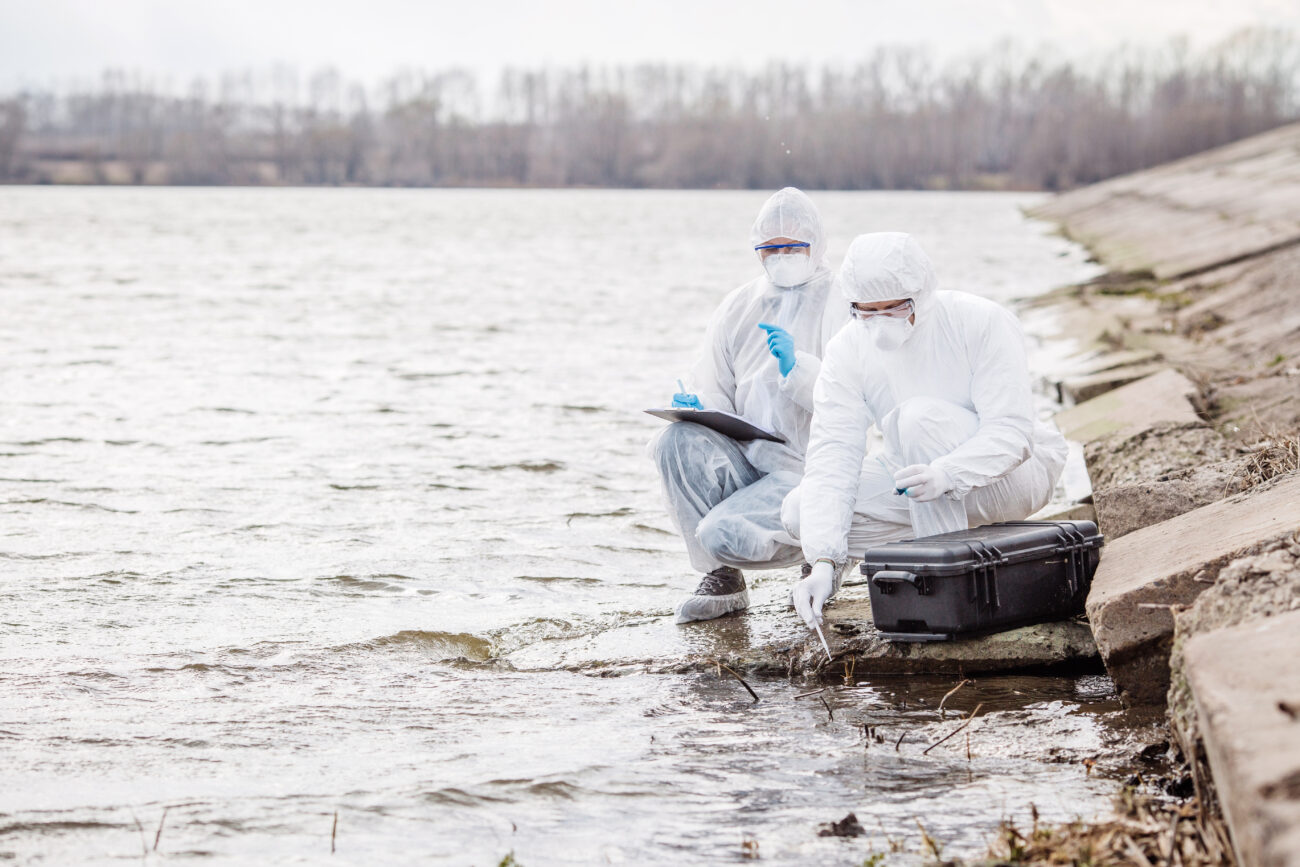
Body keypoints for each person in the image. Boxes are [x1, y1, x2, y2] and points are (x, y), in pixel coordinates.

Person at [783, 232, 1068, 629]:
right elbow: (833, 451)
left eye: (895, 308)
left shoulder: (979, 320)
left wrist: (949, 473)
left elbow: (1012, 431)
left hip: (1012, 477)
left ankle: (947, 589)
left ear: (922, 293)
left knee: (917, 420)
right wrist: (824, 562)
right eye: (867, 311)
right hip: (920, 479)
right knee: (799, 511)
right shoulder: (847, 348)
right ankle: (922, 558)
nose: (880, 322)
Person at [652, 187, 847, 624]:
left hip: (808, 467)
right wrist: (697, 405)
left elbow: (853, 400)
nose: (781, 256)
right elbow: (717, 385)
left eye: (793, 246)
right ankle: (723, 579)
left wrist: (798, 369)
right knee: (674, 441)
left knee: (721, 531)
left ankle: (822, 560)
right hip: (751, 458)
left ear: (816, 244)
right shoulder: (739, 306)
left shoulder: (841, 302)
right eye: (770, 248)